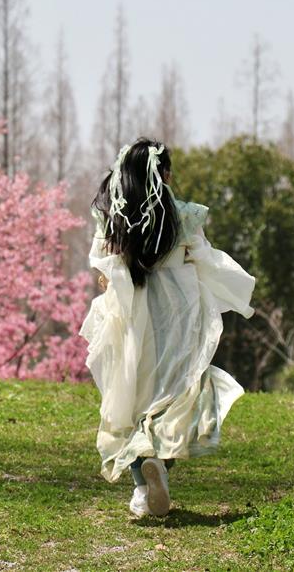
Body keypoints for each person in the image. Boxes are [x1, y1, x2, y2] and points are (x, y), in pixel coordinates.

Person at [79, 137, 256, 518]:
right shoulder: (183, 215)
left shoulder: (114, 215)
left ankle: (143, 490)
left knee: (128, 404)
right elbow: (203, 258)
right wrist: (232, 287)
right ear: (167, 174)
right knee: (181, 398)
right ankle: (158, 469)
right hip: (177, 318)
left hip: (130, 322)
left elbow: (103, 268)